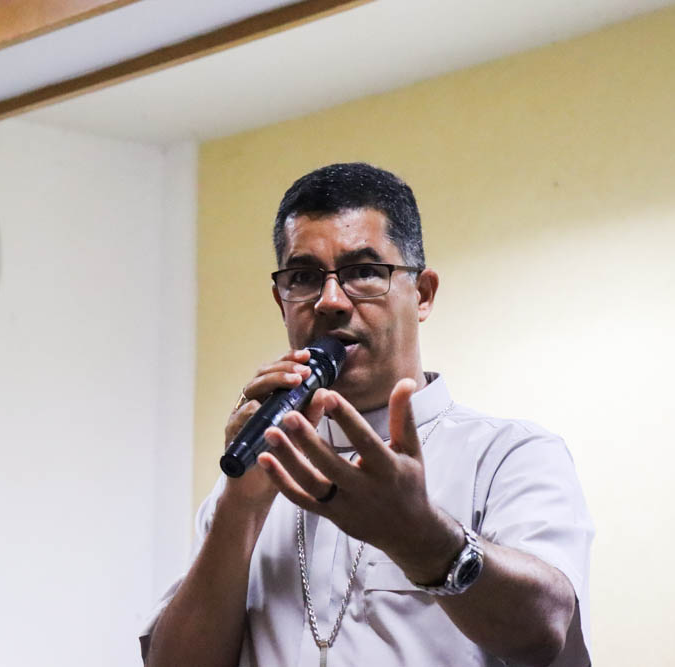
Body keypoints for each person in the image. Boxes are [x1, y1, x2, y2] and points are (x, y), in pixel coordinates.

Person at [140, 162, 594, 666]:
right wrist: (239, 509)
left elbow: (546, 632)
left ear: (422, 294)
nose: (330, 301)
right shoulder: (257, 469)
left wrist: (419, 536)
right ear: (281, 301)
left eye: (363, 272)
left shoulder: (509, 455)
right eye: (304, 278)